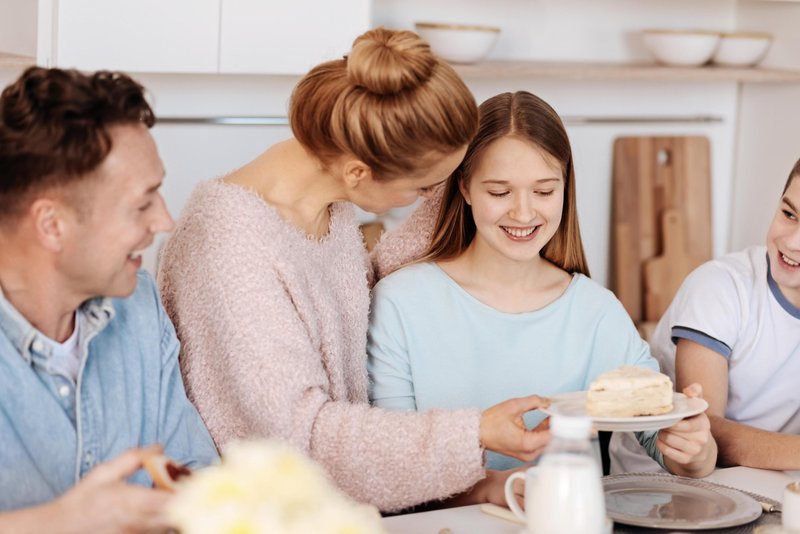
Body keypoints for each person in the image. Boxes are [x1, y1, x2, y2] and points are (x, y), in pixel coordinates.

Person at [158, 28, 551, 513]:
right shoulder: (229, 252)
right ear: (359, 173)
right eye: (426, 188)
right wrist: (473, 435)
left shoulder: (326, 209)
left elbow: (350, 297)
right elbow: (302, 442)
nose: (433, 198)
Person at [367, 91, 718, 506]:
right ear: (463, 187)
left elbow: (668, 445)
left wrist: (695, 450)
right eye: (499, 192)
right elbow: (390, 468)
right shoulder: (401, 302)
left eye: (544, 191)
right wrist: (496, 489)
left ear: (565, 188)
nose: (522, 213)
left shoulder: (595, 311)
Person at [0, 66, 218, 532]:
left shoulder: (138, 306)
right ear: (52, 225)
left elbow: (195, 474)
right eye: (143, 204)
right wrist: (60, 523)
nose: (166, 222)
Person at [612, 158, 800, 473]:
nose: (792, 242)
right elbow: (706, 432)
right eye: (789, 214)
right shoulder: (721, 286)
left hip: (765, 483)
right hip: (660, 486)